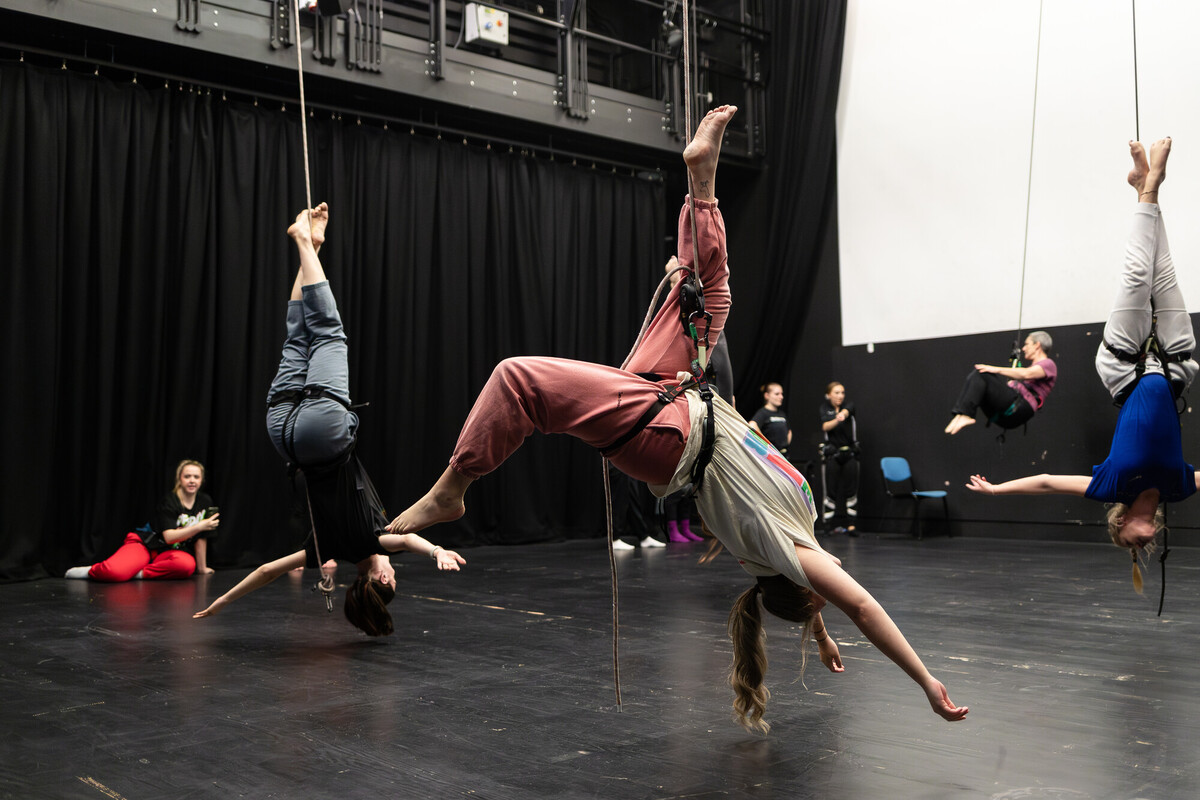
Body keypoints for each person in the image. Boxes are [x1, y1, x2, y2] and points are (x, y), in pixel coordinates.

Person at [387, 106, 966, 731]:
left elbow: (860, 606)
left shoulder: (782, 552)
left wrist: (925, 681)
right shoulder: (794, 545)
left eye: (818, 595)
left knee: (518, 379)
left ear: (807, 586)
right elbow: (819, 593)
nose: (831, 582)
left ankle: (452, 490)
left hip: (668, 436)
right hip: (677, 397)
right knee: (710, 287)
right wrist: (819, 636)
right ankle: (702, 178)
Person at [192, 203, 465, 636]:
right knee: (298, 335)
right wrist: (221, 603)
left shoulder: (373, 540)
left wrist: (436, 552)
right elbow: (267, 571)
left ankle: (305, 241)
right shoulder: (323, 551)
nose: (394, 573)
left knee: (328, 331)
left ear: (381, 579)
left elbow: (408, 539)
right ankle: (311, 248)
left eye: (393, 579)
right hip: (283, 434)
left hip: (325, 434)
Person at [967, 137, 1198, 586]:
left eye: (1130, 546)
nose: (1141, 546)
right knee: (1164, 270)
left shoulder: (1111, 486)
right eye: (1142, 548)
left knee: (1137, 274)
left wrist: (997, 489)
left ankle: (1150, 185)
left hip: (1124, 370)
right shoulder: (1179, 487)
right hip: (1175, 367)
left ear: (1120, 522)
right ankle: (1144, 187)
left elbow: (1048, 481)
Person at [65, 459, 220, 581]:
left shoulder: (204, 501)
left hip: (170, 552)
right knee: (114, 573)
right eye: (187, 476)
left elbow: (202, 536)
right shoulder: (170, 501)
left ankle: (138, 573)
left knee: (187, 566)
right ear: (179, 478)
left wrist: (202, 568)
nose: (192, 480)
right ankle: (92, 570)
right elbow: (169, 537)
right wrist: (199, 527)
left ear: (201, 480)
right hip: (146, 545)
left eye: (196, 477)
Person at [944, 331, 1057, 435]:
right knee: (977, 377)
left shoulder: (1048, 364)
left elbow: (1026, 374)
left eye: (1027, 344)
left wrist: (995, 369)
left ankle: (966, 414)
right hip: (1006, 417)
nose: (1023, 348)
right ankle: (961, 414)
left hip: (1020, 409)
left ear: (1037, 345)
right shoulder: (1036, 369)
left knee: (982, 374)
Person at [819, 382, 859, 535]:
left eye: (842, 392)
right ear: (829, 395)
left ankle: (852, 525)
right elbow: (825, 426)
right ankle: (827, 524)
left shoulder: (848, 406)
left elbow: (850, 408)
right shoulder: (825, 408)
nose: (840, 396)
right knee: (831, 490)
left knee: (851, 489)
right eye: (836, 393)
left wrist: (844, 414)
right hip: (833, 454)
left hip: (848, 454)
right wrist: (837, 419)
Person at [749, 383, 791, 456]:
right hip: (770, 456)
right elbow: (752, 425)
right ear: (767, 396)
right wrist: (766, 446)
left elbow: (789, 431)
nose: (781, 397)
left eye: (782, 394)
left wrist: (785, 446)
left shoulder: (782, 414)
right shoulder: (763, 413)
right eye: (777, 394)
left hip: (783, 455)